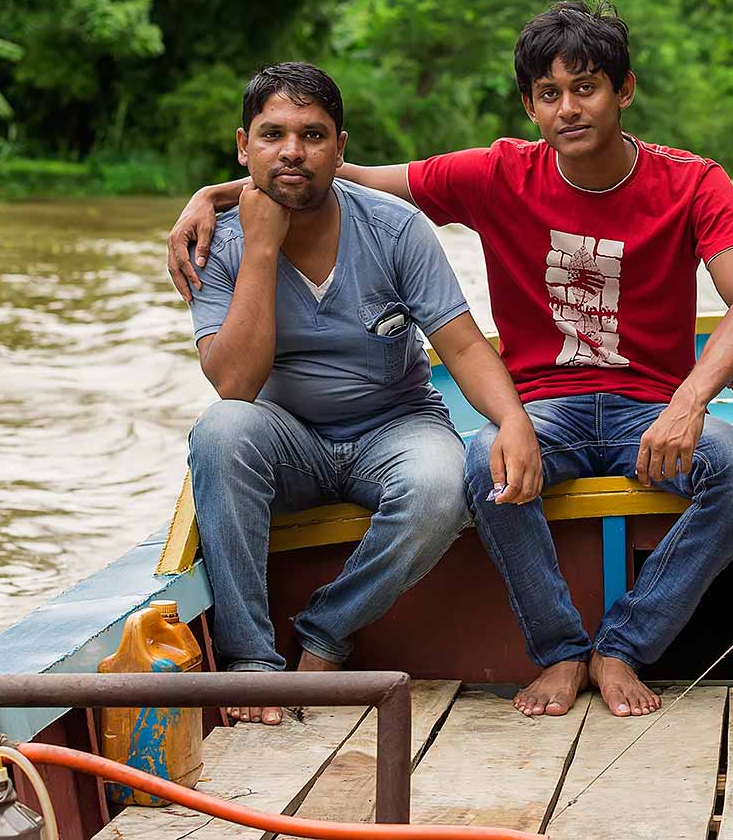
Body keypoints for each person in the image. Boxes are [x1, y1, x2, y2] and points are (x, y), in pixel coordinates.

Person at [168, 1, 733, 719]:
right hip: (548, 407)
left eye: (586, 87)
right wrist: (219, 196)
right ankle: (558, 650)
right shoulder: (496, 173)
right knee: (483, 457)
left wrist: (689, 401)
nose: (568, 108)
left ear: (625, 90)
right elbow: (333, 171)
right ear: (529, 104)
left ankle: (622, 646)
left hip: (654, 405)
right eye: (549, 94)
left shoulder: (692, 181)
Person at [183, 62, 540, 724]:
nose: (293, 150)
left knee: (441, 482)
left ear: (341, 148)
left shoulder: (394, 229)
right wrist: (261, 247)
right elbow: (235, 384)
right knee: (219, 431)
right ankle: (254, 666)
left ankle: (324, 635)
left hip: (395, 425)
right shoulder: (219, 244)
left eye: (313, 134)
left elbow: (460, 344)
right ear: (243, 146)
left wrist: (513, 418)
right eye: (273, 134)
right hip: (285, 437)